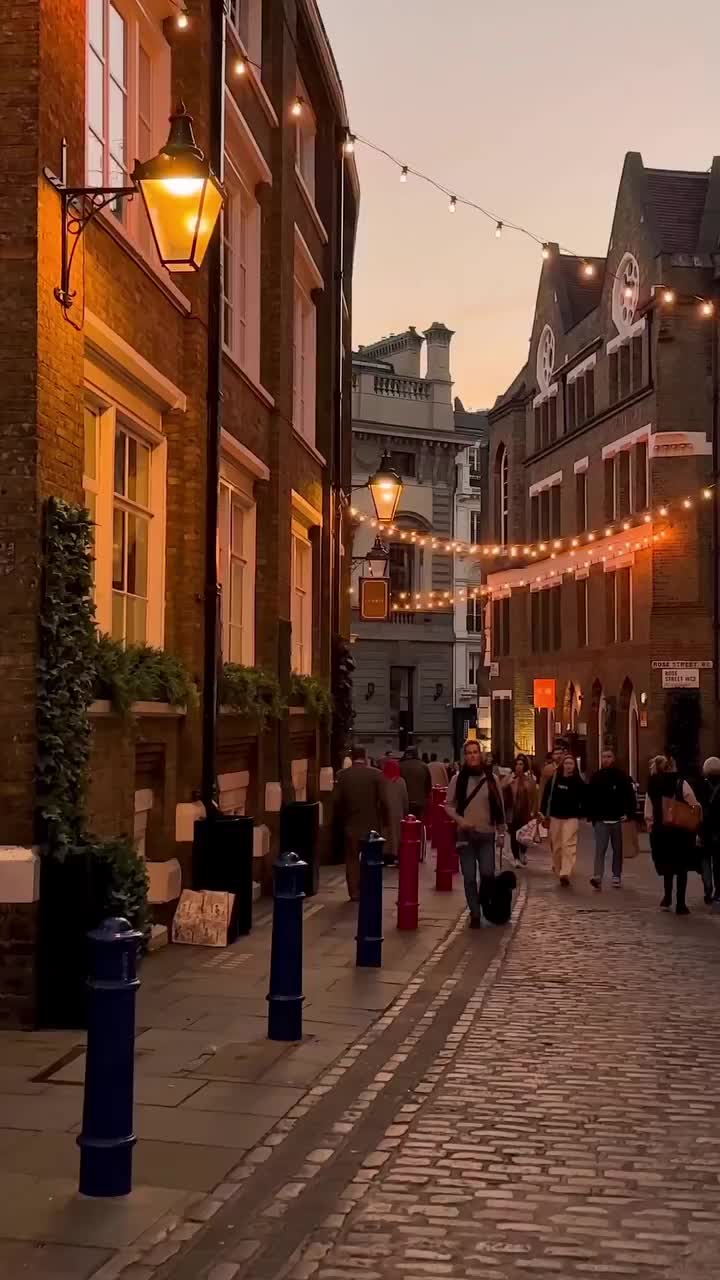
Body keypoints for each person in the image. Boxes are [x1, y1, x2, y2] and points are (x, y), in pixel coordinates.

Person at [445, 741, 506, 927]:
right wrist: (460, 820)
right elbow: (448, 806)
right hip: (466, 836)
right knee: (470, 877)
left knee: (487, 873)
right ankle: (474, 913)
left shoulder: (491, 778)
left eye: (475, 752)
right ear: (465, 756)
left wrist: (501, 833)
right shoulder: (458, 779)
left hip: (486, 833)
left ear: (480, 754)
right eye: (469, 753)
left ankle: (481, 901)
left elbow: (499, 805)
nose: (472, 756)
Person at [645, 754, 700, 915]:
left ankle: (667, 897)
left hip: (661, 831)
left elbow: (648, 806)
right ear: (672, 767)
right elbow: (693, 802)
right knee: (681, 868)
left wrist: (650, 823)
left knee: (667, 866)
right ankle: (681, 904)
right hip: (679, 831)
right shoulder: (680, 782)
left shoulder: (652, 783)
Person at [333, 746, 388, 901]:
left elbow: (336, 801)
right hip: (372, 824)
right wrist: (385, 822)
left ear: (351, 756)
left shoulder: (342, 775)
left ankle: (354, 892)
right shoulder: (376, 775)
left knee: (351, 859)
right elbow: (383, 800)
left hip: (351, 823)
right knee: (370, 859)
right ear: (365, 756)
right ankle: (368, 888)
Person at [587, 748, 637, 890]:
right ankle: (597, 876)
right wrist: (593, 817)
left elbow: (629, 796)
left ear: (613, 759)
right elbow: (590, 797)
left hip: (618, 819)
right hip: (601, 820)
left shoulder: (621, 777)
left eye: (609, 756)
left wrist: (629, 814)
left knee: (618, 849)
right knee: (600, 849)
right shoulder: (596, 776)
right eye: (603, 757)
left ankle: (616, 875)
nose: (606, 759)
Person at [540, 753, 586, 887]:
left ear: (574, 766)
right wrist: (542, 812)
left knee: (568, 844)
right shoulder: (555, 779)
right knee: (557, 845)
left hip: (571, 817)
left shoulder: (578, 781)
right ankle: (559, 867)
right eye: (566, 763)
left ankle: (565, 872)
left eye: (571, 764)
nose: (568, 766)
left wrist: (582, 812)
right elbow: (546, 795)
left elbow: (584, 798)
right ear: (563, 765)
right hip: (555, 816)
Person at [503, 756, 539, 867]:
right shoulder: (509, 778)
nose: (518, 766)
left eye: (521, 764)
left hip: (525, 812)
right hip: (512, 812)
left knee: (524, 835)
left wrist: (534, 811)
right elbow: (500, 789)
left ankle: (523, 852)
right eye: (517, 764)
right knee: (514, 835)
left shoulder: (530, 781)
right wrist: (507, 783)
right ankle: (516, 857)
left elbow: (534, 797)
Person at [700, 756, 720, 904]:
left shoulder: (701, 787)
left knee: (705, 860)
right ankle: (718, 891)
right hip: (718, 831)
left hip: (704, 830)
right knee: (718, 863)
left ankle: (708, 889)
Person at [381, 757, 409, 865]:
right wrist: (406, 811)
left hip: (384, 810)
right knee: (397, 833)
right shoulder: (401, 781)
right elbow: (405, 798)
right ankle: (395, 854)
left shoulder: (381, 779)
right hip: (398, 811)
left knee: (385, 832)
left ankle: (386, 854)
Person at [400, 747, 432, 820]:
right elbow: (428, 785)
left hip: (405, 802)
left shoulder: (400, 765)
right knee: (419, 822)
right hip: (420, 800)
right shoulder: (423, 765)